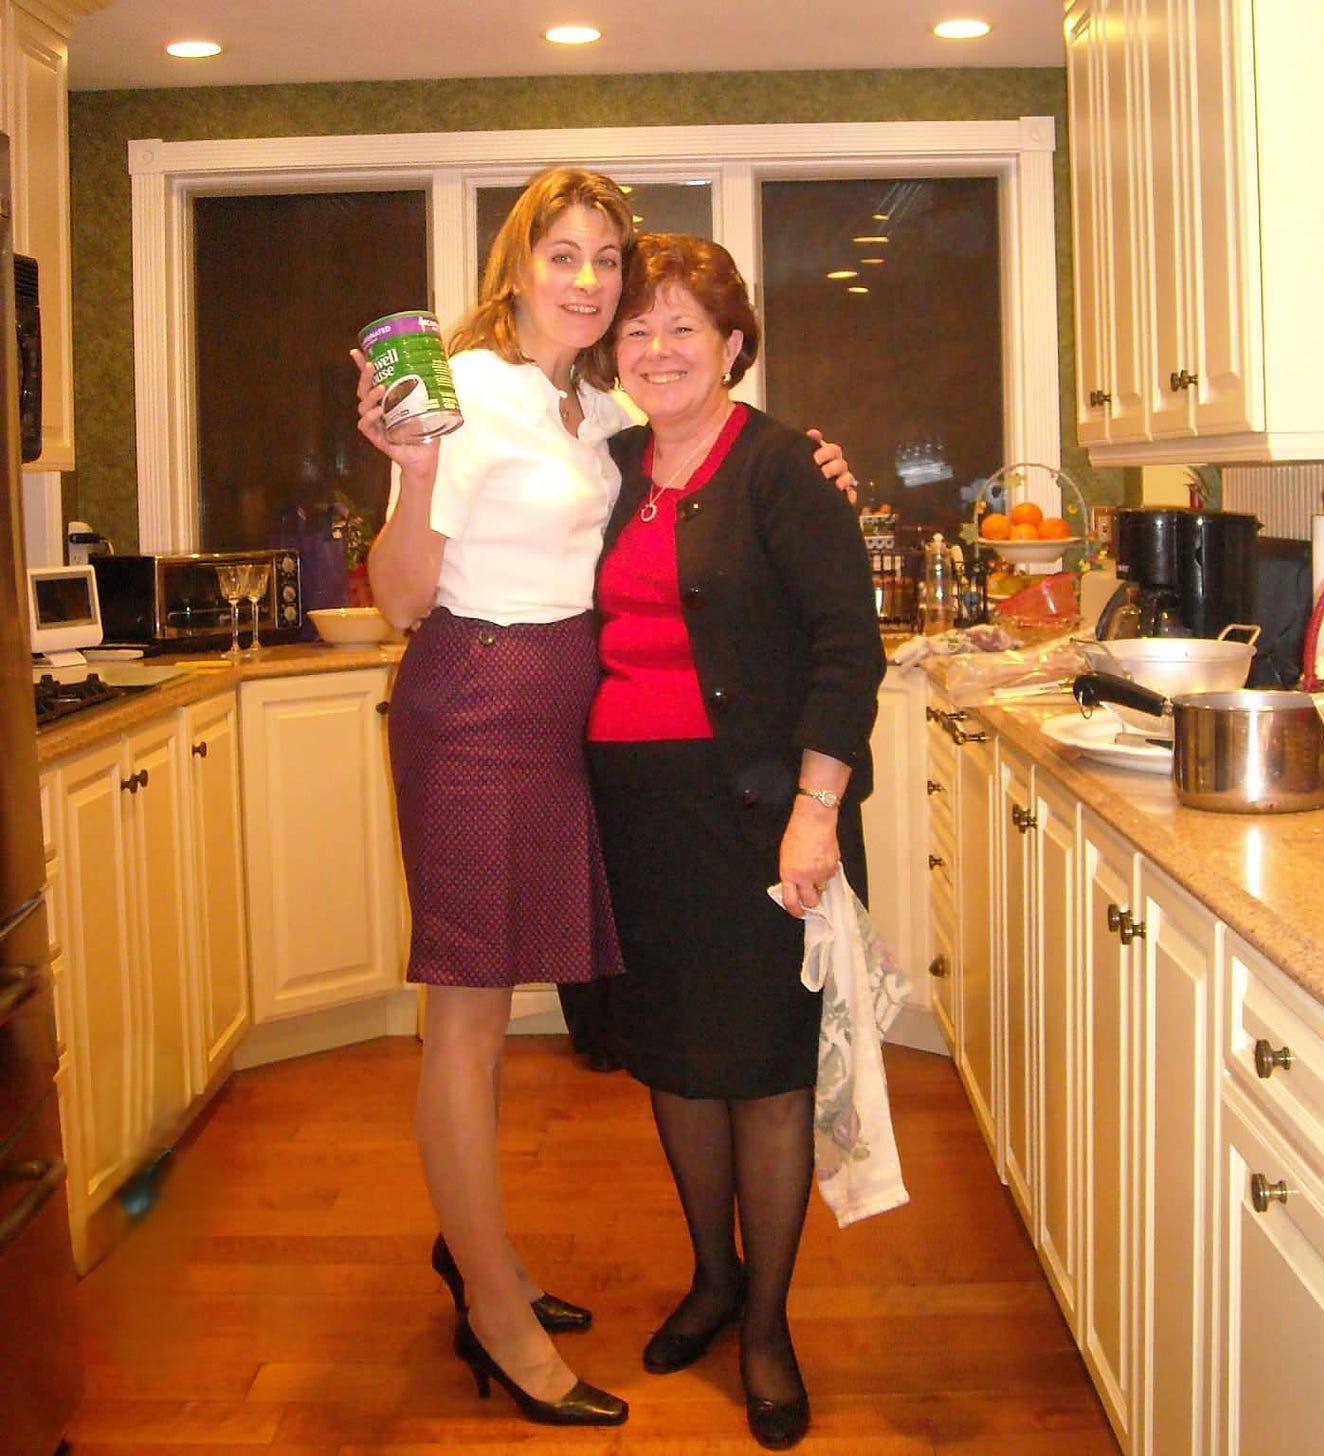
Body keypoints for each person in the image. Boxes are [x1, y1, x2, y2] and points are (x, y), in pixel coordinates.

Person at [352, 169, 854, 1430]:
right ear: (516, 267)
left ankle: (491, 1259)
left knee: (508, 1007)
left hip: (570, 721)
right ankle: (497, 1316)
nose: (587, 282)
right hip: (475, 705)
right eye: (560, 256)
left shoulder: (591, 416)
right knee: (464, 1022)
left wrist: (814, 470)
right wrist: (412, 475)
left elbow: (714, 506)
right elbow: (402, 598)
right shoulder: (457, 393)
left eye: (605, 262)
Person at [586, 233, 885, 1451]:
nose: (656, 350)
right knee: (674, 1056)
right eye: (637, 329)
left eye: (684, 330)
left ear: (732, 347)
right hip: (636, 816)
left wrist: (818, 806)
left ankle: (764, 1319)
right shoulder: (602, 467)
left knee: (763, 1071)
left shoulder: (783, 469)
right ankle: (710, 1275)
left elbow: (844, 650)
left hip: (764, 819)